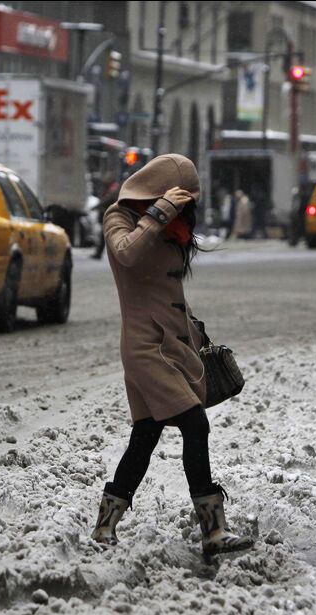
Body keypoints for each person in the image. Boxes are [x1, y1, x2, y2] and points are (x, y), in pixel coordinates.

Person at [90, 153, 254, 558]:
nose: (186, 209)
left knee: (144, 437)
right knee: (195, 425)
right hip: (145, 347)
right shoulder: (120, 217)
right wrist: (160, 213)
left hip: (175, 344)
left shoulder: (173, 228)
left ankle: (104, 526)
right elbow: (125, 254)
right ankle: (213, 531)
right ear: (157, 192)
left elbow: (170, 292)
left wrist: (196, 331)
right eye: (180, 200)